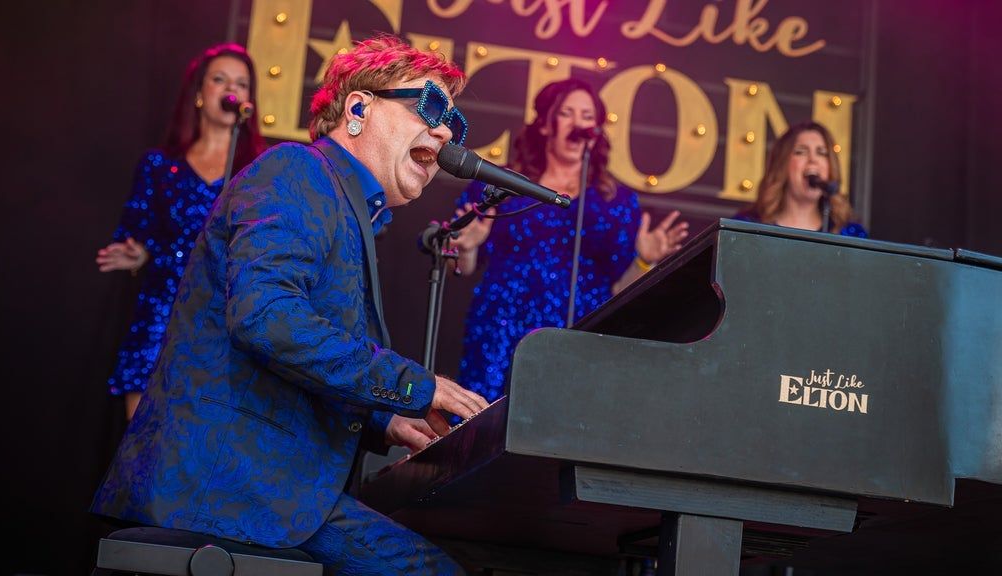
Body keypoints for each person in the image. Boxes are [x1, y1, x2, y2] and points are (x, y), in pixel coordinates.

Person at [90, 35, 489, 575]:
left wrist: (382, 418)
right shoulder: (296, 171)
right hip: (230, 486)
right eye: (431, 106)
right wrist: (412, 385)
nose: (444, 132)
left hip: (262, 488)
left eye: (454, 122)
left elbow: (293, 359)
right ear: (358, 108)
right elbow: (267, 318)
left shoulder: (342, 203)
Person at [451, 78, 689, 402]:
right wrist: (467, 247)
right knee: (488, 417)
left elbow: (619, 290)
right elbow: (463, 268)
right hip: (501, 329)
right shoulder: (503, 185)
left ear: (597, 131)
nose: (578, 124)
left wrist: (644, 260)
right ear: (546, 124)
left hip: (580, 334)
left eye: (587, 117)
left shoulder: (616, 201)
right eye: (567, 113)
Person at [96, 43, 267, 420]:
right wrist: (139, 253)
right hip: (162, 312)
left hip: (221, 319)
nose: (231, 89)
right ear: (200, 93)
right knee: (142, 439)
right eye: (220, 79)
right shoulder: (159, 165)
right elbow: (138, 232)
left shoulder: (258, 171)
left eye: (241, 83)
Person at [733, 121, 867, 237]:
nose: (813, 160)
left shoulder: (851, 234)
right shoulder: (747, 228)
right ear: (782, 164)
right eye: (801, 152)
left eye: (822, 153)